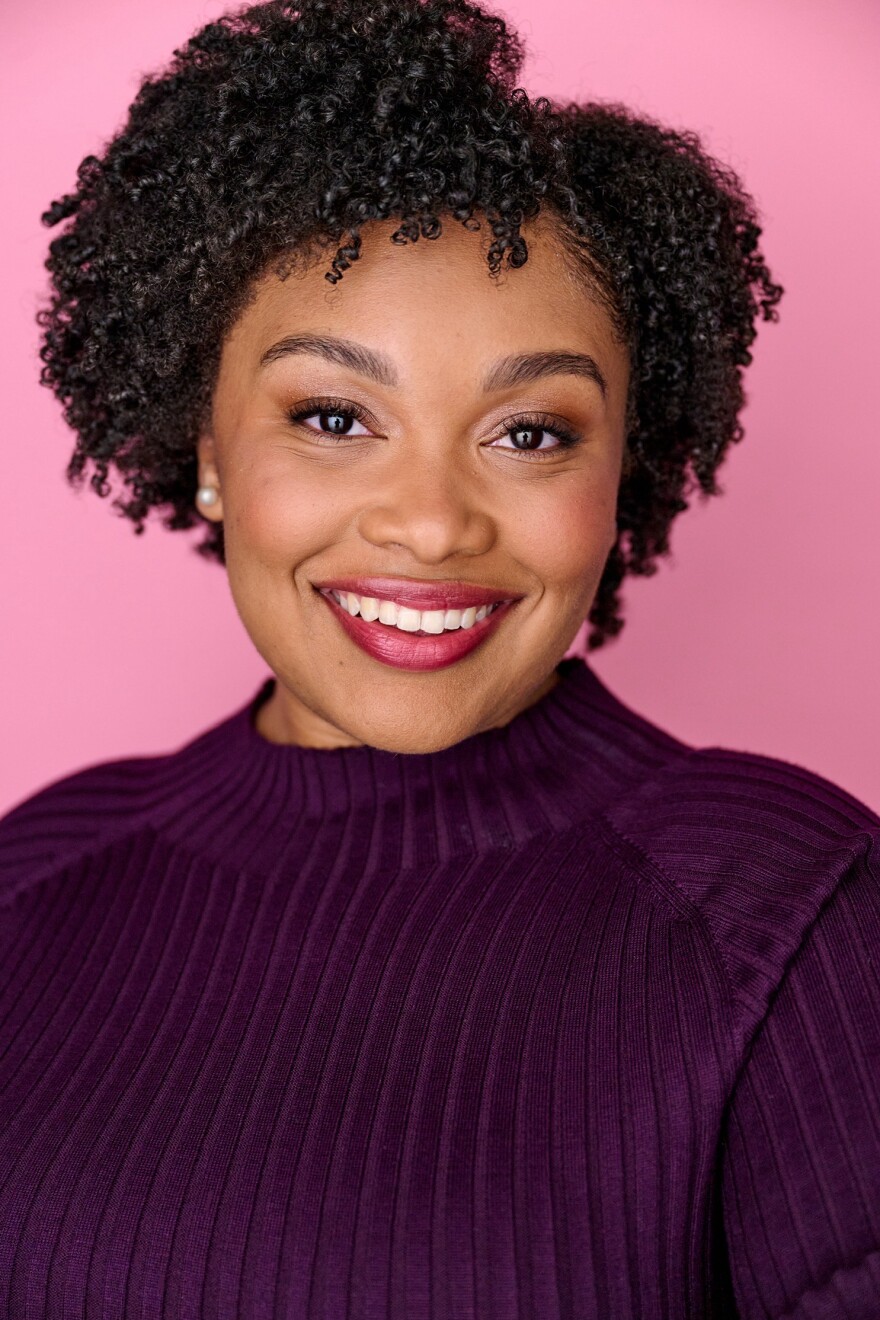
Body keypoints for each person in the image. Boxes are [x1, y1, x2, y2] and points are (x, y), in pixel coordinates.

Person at [1, 0, 878, 1315]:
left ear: (622, 467)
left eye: (530, 433)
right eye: (334, 415)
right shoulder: (33, 883)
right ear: (206, 450)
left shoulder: (786, 905)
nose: (431, 522)